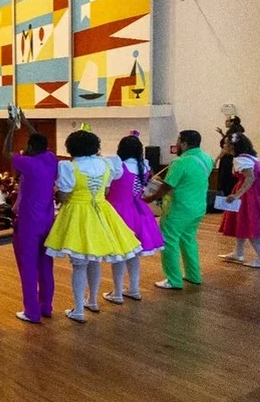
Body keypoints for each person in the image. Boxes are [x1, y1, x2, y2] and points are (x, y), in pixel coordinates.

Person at [44, 130, 141, 323]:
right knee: (94, 257)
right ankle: (92, 300)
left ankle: (79, 309)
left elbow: (64, 195)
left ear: (71, 148)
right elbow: (106, 189)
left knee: (80, 264)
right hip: (102, 212)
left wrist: (57, 193)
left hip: (78, 214)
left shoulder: (69, 167)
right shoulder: (107, 164)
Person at [2, 110, 58, 323]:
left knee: (28, 267)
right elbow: (39, 140)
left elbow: (6, 153)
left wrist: (11, 128)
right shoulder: (50, 159)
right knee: (46, 266)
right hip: (47, 220)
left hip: (28, 223)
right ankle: (46, 307)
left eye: (28, 146)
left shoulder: (29, 163)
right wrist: (25, 123)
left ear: (32, 148)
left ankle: (32, 312)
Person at [145, 130, 213, 289]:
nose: (176, 144)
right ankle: (193, 275)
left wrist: (149, 199)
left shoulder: (180, 162)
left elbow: (167, 187)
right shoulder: (207, 158)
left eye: (178, 141)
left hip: (178, 208)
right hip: (198, 207)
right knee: (188, 240)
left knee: (169, 241)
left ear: (184, 144)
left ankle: (173, 280)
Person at [103, 133, 165, 304]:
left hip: (118, 212)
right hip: (139, 211)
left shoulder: (118, 165)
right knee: (133, 254)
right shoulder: (144, 166)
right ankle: (134, 288)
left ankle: (117, 292)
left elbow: (107, 189)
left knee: (120, 253)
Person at [217, 133, 260, 267]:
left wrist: (236, 195)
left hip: (247, 194)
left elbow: (250, 178)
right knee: (241, 222)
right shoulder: (251, 157)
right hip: (253, 192)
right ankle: (238, 252)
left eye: (226, 143)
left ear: (232, 145)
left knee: (250, 224)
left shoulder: (240, 159)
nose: (224, 146)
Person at [215, 115, 245, 197]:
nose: (225, 122)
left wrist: (216, 159)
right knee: (231, 181)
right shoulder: (237, 133)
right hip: (234, 159)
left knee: (225, 181)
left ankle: (225, 201)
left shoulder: (231, 135)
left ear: (232, 122)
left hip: (228, 160)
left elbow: (226, 148)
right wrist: (222, 134)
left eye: (227, 121)